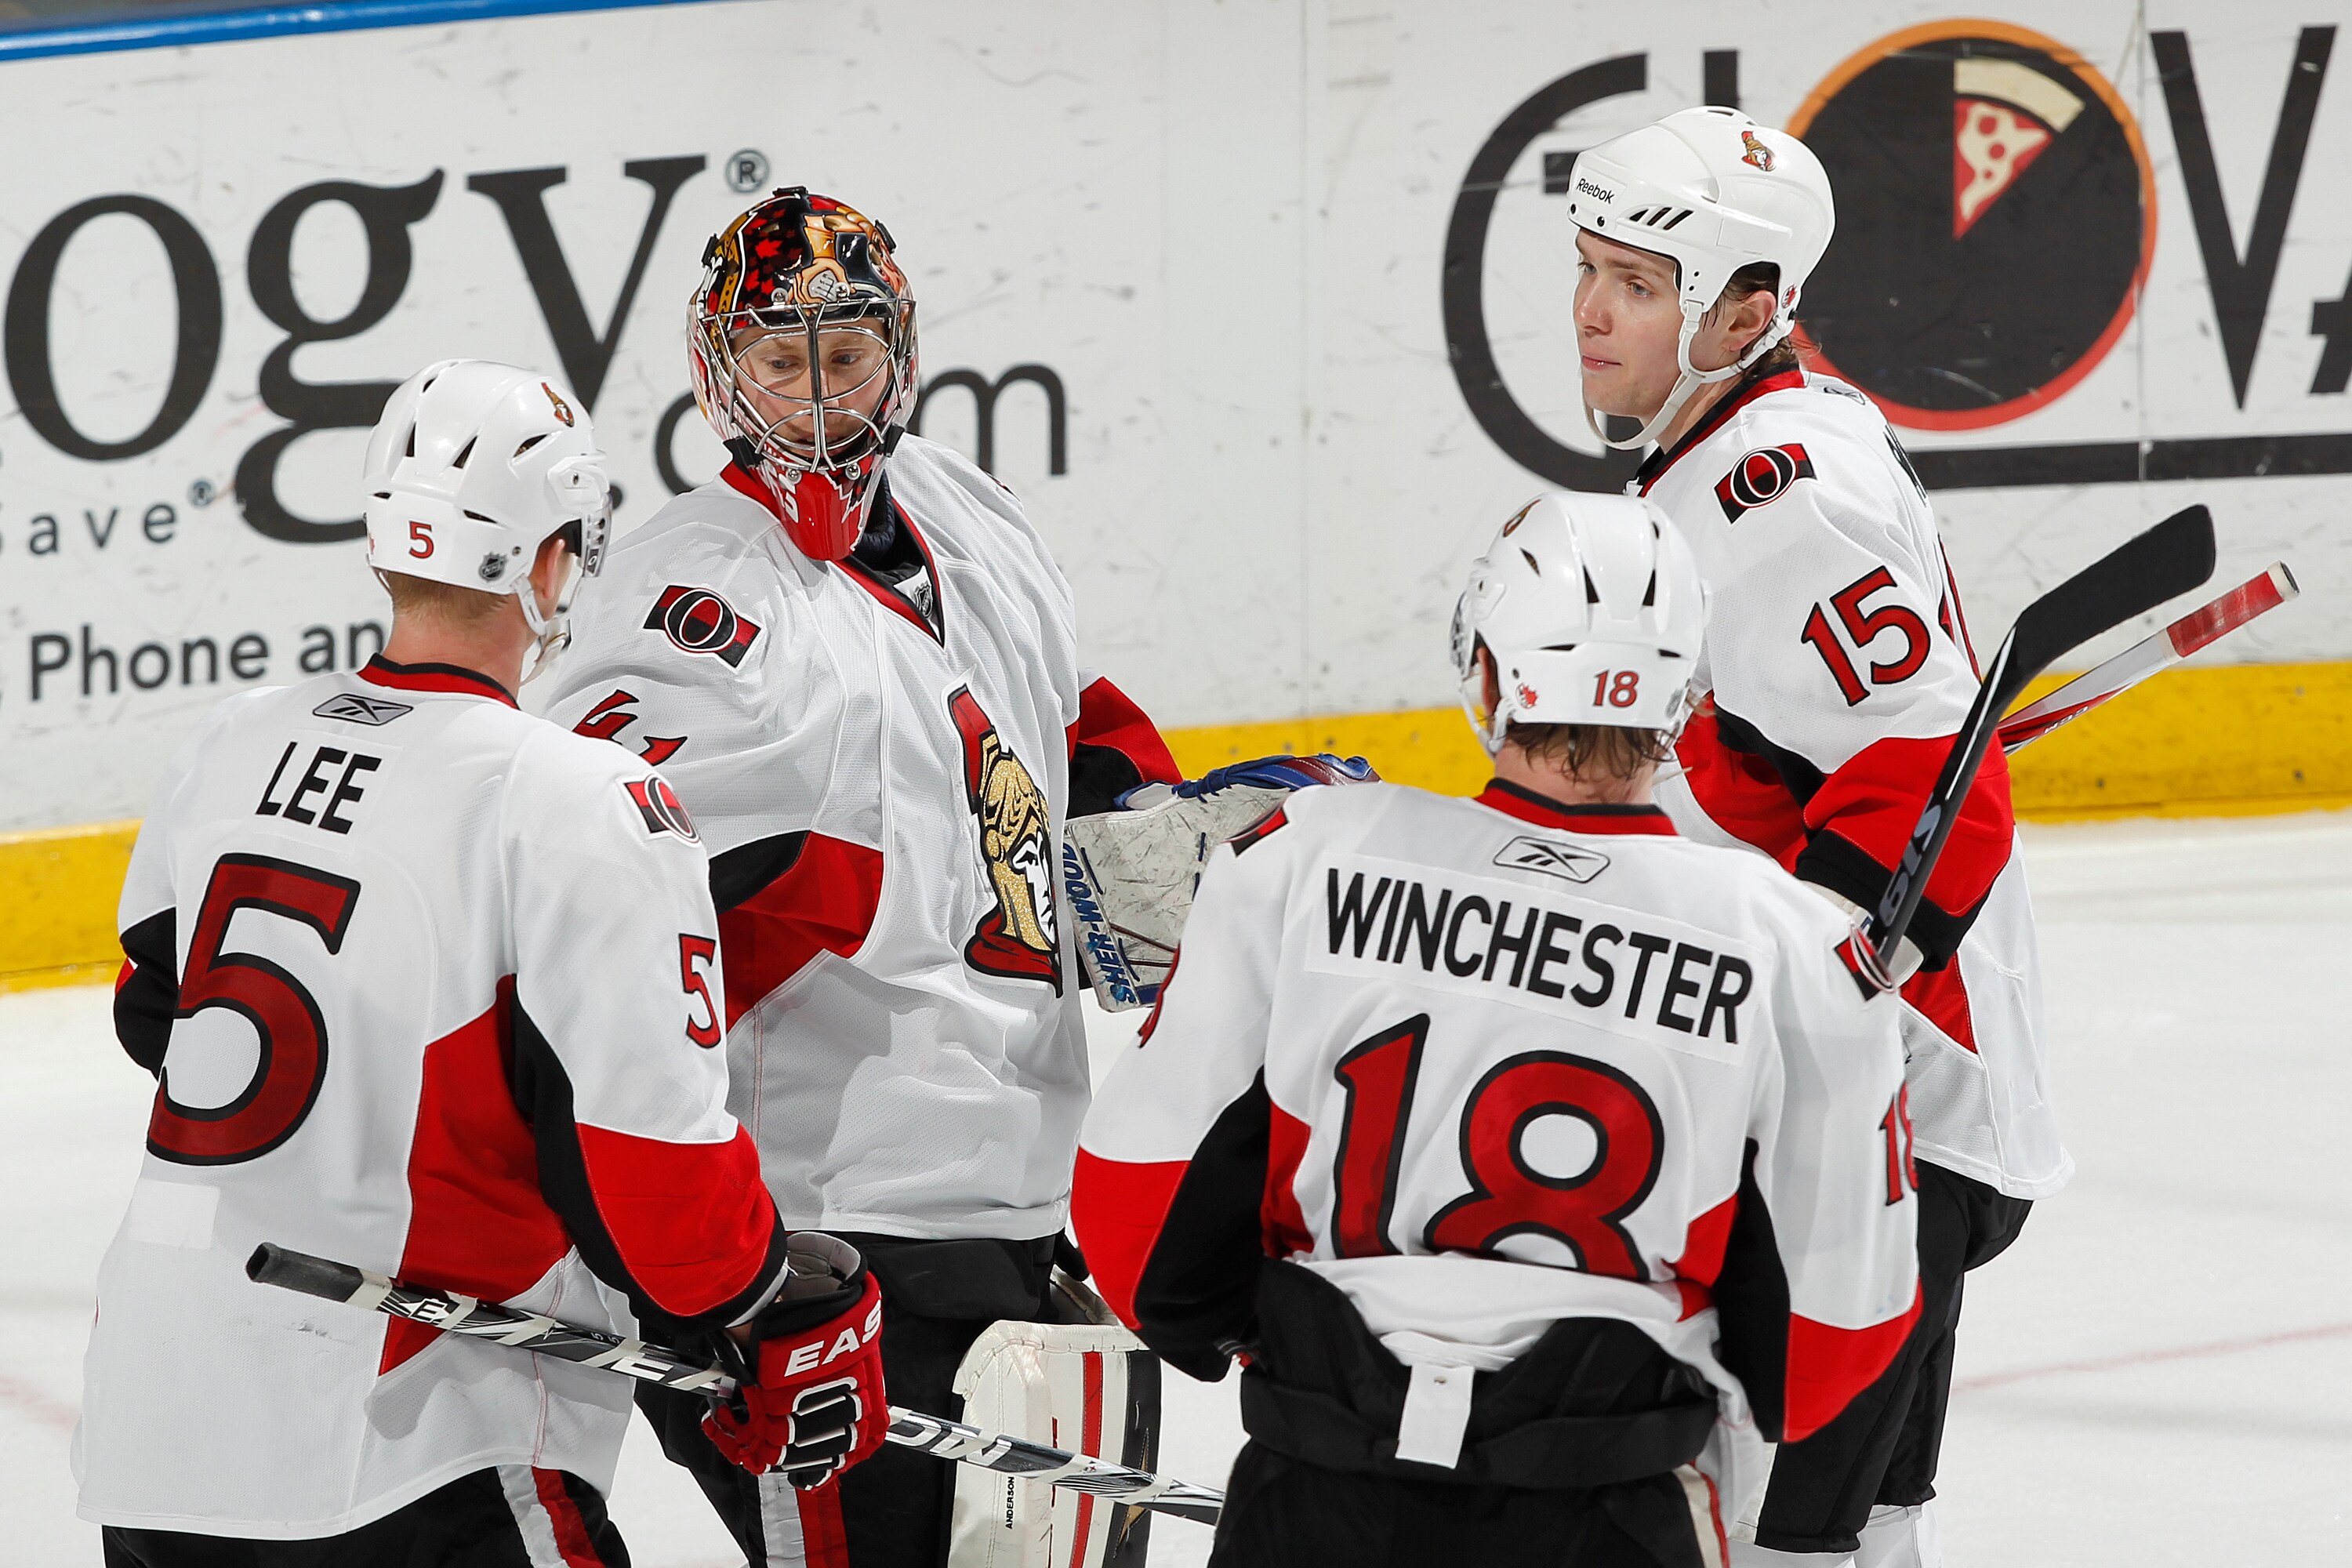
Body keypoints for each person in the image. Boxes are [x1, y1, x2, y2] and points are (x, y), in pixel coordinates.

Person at [81, 361, 888, 1566]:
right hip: (413, 1444)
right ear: (552, 562)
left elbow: (157, 1014)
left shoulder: (231, 740)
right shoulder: (579, 800)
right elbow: (661, 1190)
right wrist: (767, 1301)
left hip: (156, 1429)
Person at [1071, 492, 1922, 1568]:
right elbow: (1831, 1343)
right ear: (1687, 699)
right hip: (1607, 1512)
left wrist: (1294, 1351)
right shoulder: (1795, 948)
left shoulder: (1304, 857)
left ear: (1485, 670)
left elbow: (1139, 1217)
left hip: (1318, 1495)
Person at [541, 187, 1186, 1567]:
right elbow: (572, 906)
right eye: (781, 361)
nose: (823, 399)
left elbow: (1061, 721)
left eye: (848, 355)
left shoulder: (968, 507)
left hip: (1019, 1209)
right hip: (825, 1246)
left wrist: (1152, 840)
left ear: (901, 352)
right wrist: (718, 1275)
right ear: (721, 373)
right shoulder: (685, 603)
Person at [1562, 107, 2059, 1567]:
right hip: (1860, 1115)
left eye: (1637, 284)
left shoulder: (1780, 493)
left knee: (1779, 1532)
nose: (1591, 310)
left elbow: (1930, 794)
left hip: (1882, 1115)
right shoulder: (1748, 439)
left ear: (1745, 311)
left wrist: (1806, 1018)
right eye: (1589, 267)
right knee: (1840, 1530)